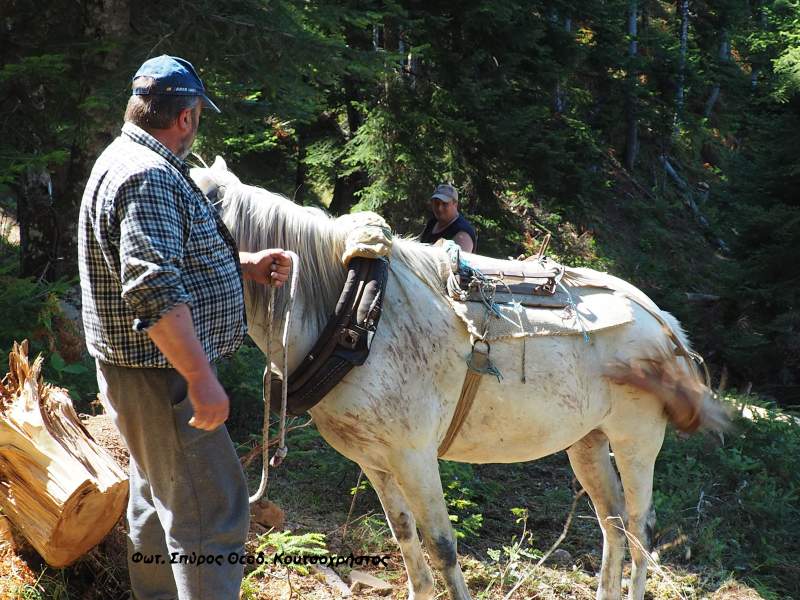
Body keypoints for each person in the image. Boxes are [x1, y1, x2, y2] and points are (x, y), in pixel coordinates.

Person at [78, 55, 291, 600]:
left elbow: (161, 258)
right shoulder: (149, 175)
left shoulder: (124, 158)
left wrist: (239, 265)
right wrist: (199, 376)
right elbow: (150, 287)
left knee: (157, 497)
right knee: (211, 513)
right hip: (163, 377)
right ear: (187, 117)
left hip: (142, 372)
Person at [419, 183, 477, 252]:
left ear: (455, 204)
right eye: (436, 203)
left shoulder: (463, 233)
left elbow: (457, 261)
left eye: (445, 203)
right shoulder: (432, 223)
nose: (439, 208)